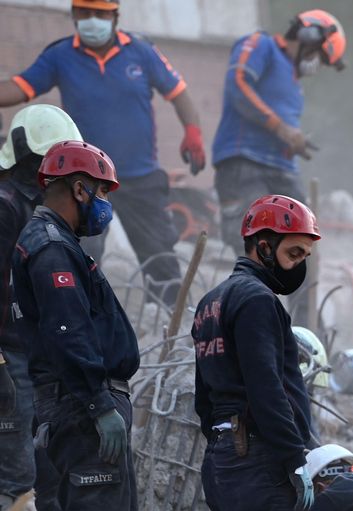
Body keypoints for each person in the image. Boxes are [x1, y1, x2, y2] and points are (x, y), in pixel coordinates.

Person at [0, 0, 206, 304]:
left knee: (161, 258)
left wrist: (193, 131)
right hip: (84, 179)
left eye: (100, 13)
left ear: (115, 16)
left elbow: (179, 94)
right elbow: (20, 87)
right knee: (80, 254)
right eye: (84, 13)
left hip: (140, 176)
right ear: (73, 15)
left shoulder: (141, 51)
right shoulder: (60, 56)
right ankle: (81, 321)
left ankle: (177, 330)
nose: (91, 20)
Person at [10, 139, 138, 511]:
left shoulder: (58, 244)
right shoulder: (51, 248)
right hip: (82, 409)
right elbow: (69, 331)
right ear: (80, 189)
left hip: (80, 405)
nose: (104, 205)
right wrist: (99, 402)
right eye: (101, 194)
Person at [192, 194, 319, 511]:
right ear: (263, 246)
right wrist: (293, 459)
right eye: (292, 252)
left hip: (227, 462)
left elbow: (202, 399)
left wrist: (225, 448)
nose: (299, 264)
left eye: (304, 254)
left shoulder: (211, 301)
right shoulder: (257, 300)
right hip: (262, 462)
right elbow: (268, 389)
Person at [0, 104, 80, 511]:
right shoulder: (7, 206)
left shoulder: (30, 206)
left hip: (29, 360)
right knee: (14, 478)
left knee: (46, 479)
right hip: (9, 359)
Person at [212, 9, 346, 252]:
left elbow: (284, 129)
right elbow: (238, 85)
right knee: (256, 245)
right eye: (319, 54)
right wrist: (282, 129)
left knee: (301, 244)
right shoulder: (262, 45)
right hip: (245, 161)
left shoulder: (295, 84)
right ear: (309, 35)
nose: (317, 64)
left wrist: (295, 141)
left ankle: (296, 291)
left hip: (282, 169)